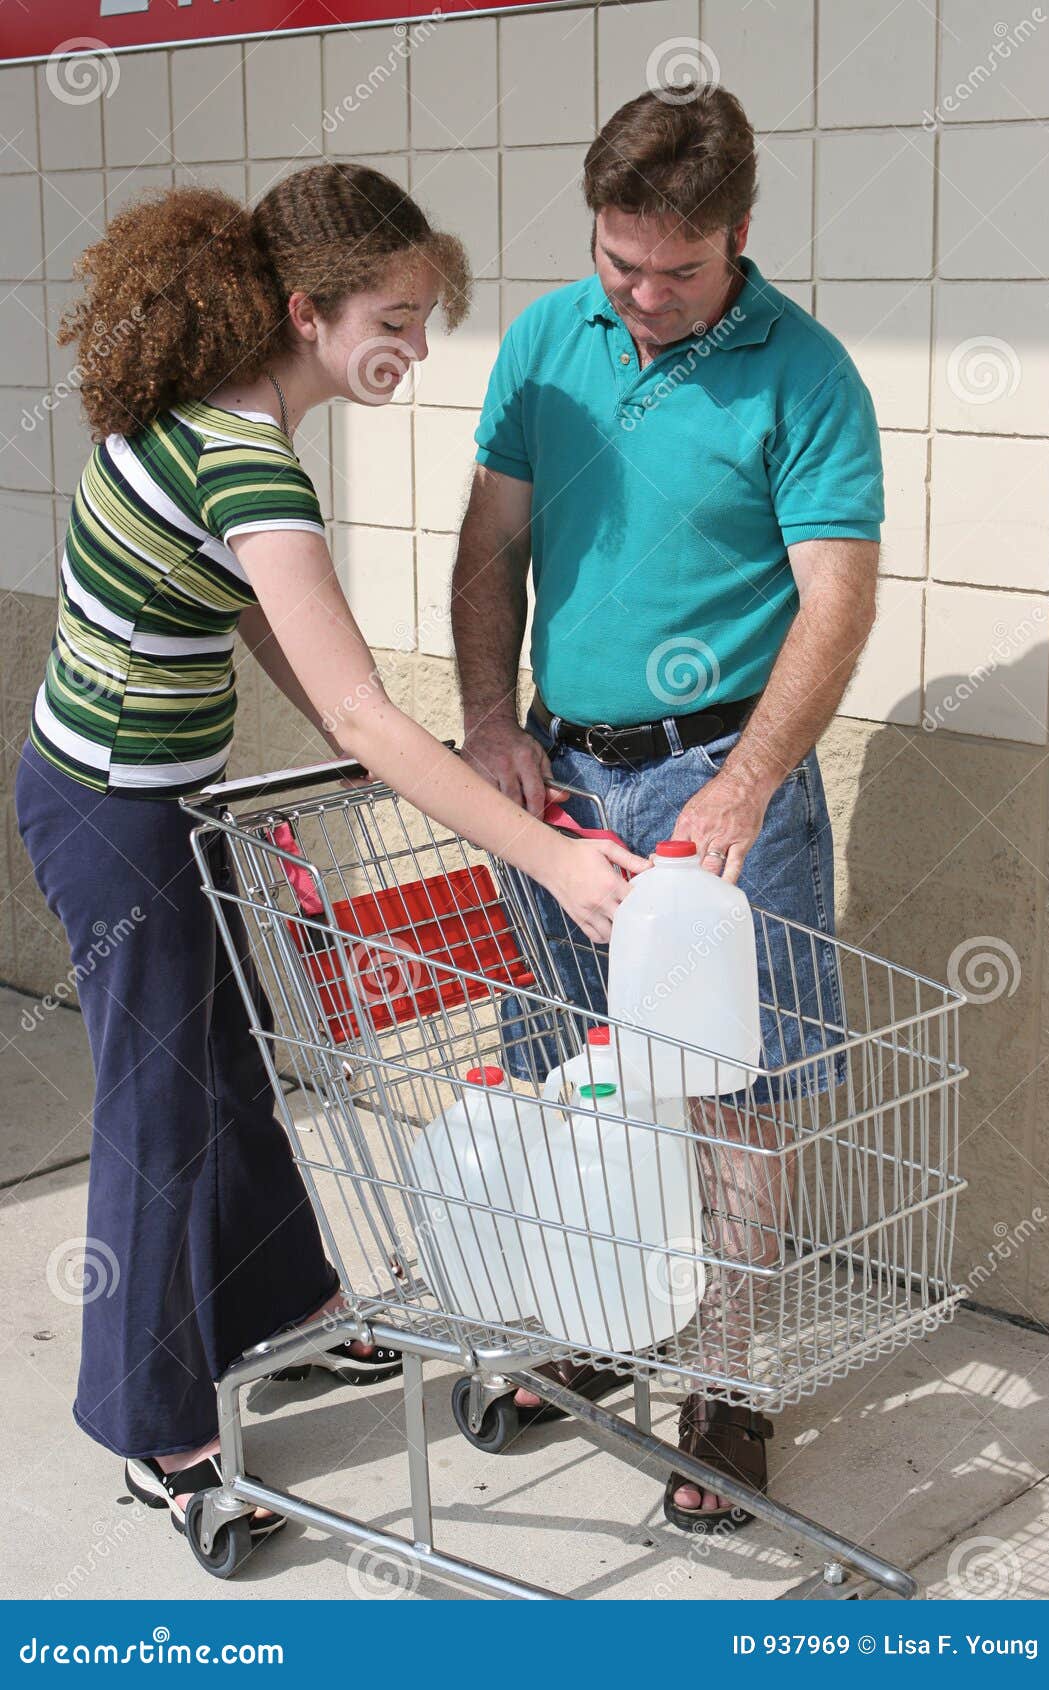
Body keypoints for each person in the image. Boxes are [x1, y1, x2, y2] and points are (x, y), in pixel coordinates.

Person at [15, 164, 647, 1544]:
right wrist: (546, 856)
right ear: (304, 310)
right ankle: (156, 1429)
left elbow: (253, 620)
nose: (416, 351)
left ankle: (287, 1301)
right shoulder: (246, 460)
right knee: (159, 1116)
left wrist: (364, 735)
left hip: (133, 796)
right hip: (120, 820)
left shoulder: (202, 414)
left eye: (425, 322)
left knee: (229, 1063)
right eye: (396, 319)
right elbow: (362, 705)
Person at [452, 83, 884, 1533]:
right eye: (617, 262)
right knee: (575, 1075)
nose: (640, 296)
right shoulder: (544, 339)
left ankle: (725, 1379)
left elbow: (837, 600)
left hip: (721, 777)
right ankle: (595, 1307)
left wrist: (749, 779)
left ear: (741, 236)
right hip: (562, 778)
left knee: (731, 1094)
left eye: (676, 271)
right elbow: (490, 545)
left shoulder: (807, 375)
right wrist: (490, 722)